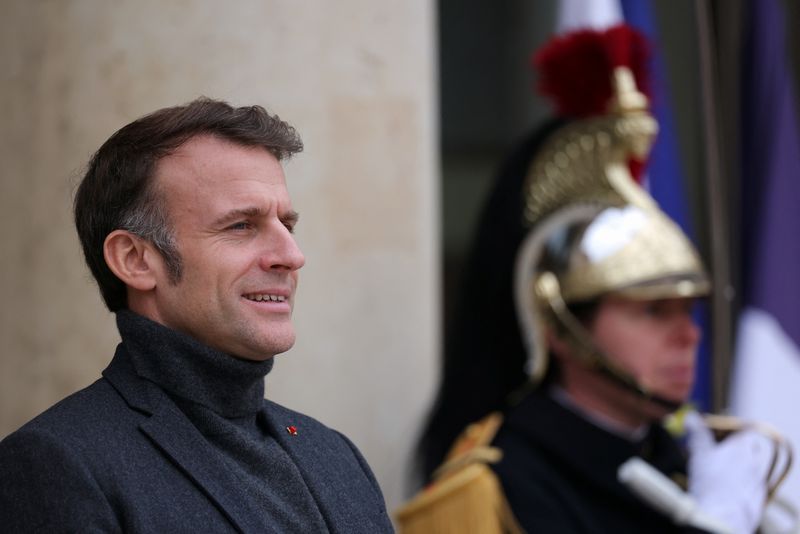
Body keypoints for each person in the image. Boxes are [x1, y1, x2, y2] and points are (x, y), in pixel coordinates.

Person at [398, 26, 790, 534]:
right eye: (652, 310)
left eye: (687, 308)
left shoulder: (693, 464)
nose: (688, 334)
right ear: (559, 326)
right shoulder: (489, 492)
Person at [0, 98, 394, 533]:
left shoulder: (333, 453)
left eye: (288, 224)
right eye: (241, 225)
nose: (292, 255)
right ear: (135, 260)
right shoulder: (58, 465)